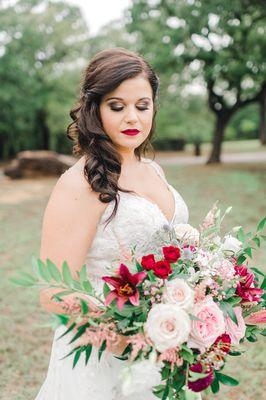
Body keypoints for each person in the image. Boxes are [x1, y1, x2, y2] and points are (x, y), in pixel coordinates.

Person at [35, 47, 191, 400]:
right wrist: (130, 331)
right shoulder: (80, 183)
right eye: (117, 106)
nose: (132, 118)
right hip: (103, 354)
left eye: (142, 105)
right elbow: (52, 291)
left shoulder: (154, 170)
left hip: (160, 351)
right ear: (95, 110)